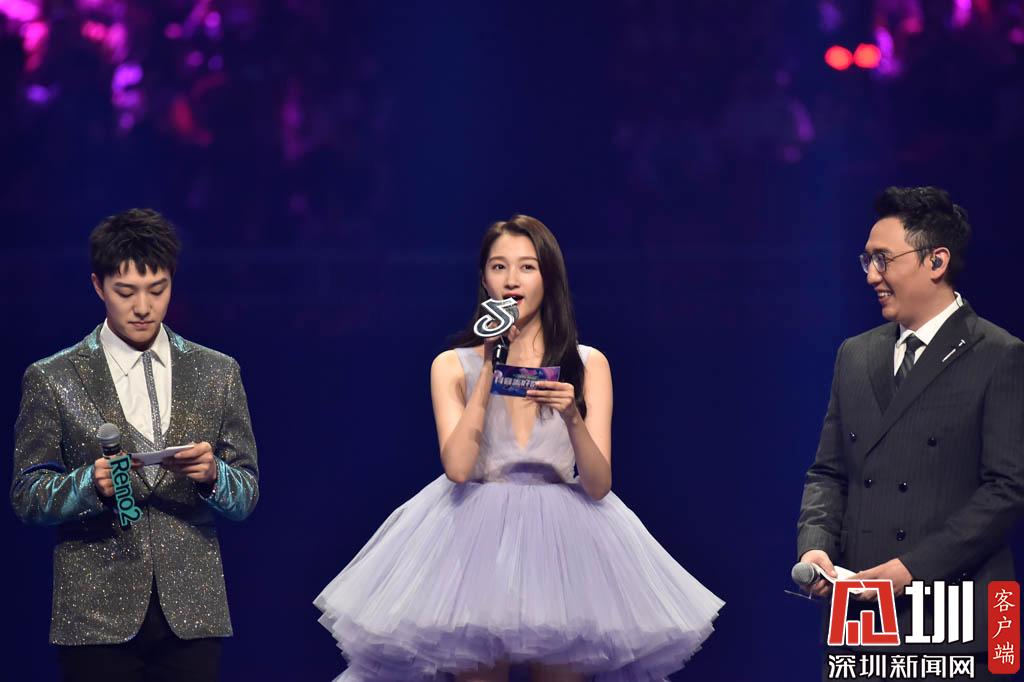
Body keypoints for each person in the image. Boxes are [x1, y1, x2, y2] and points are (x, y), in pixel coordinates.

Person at [316, 214, 723, 681]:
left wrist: (572, 416)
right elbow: (458, 468)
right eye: (499, 266)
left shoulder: (588, 363)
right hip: (473, 536)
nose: (512, 280)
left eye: (527, 267)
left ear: (548, 278)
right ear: (484, 279)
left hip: (563, 538)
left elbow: (598, 485)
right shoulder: (452, 365)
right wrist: (489, 367)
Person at [11, 208, 259, 682]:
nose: (143, 306)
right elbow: (27, 496)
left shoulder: (217, 372)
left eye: (157, 289)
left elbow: (246, 494)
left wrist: (214, 476)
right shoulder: (53, 377)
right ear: (98, 286)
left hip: (193, 613)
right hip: (95, 615)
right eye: (126, 292)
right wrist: (88, 484)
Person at [796, 187, 1024, 680]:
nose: (871, 275)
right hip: (861, 618)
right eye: (867, 260)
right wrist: (816, 546)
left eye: (884, 259)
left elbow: (1007, 490)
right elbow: (828, 472)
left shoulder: (998, 354)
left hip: (954, 617)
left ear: (936, 261)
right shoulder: (855, 354)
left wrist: (911, 568)